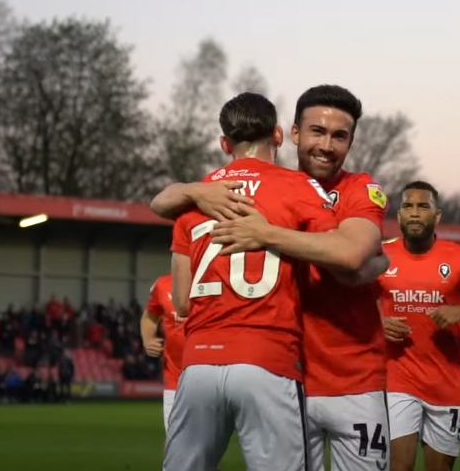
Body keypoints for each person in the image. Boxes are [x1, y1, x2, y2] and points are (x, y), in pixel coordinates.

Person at [151, 85, 391, 471]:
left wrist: (259, 229)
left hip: (350, 378)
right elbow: (354, 265)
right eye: (317, 132)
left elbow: (351, 256)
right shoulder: (293, 190)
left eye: (339, 136)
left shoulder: (359, 187)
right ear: (288, 134)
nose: (326, 145)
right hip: (281, 369)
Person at [376, 180, 460, 471]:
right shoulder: (380, 256)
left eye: (423, 206)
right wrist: (377, 324)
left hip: (447, 385)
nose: (415, 213)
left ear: (437, 216)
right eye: (408, 206)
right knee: (399, 467)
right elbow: (352, 310)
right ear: (399, 217)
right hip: (397, 380)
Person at [140, 273, 185, 434]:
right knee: (175, 443)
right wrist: (148, 339)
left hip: (211, 378)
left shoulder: (218, 279)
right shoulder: (163, 284)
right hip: (175, 379)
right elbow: (150, 316)